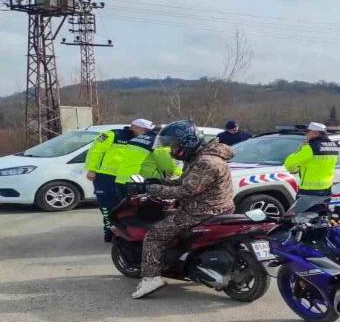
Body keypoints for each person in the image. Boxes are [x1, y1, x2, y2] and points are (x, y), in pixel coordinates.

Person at [129, 120, 235, 299]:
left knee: (154, 235)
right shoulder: (202, 157)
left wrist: (150, 189)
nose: (171, 149)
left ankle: (151, 278)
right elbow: (185, 182)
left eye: (173, 144)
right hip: (220, 208)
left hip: (200, 212)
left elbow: (185, 191)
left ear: (186, 142)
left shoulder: (205, 162)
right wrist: (159, 182)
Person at [85, 118, 156, 242]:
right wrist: (91, 169)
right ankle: (109, 231)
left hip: (125, 178)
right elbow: (95, 151)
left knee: (126, 206)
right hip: (105, 176)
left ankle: (124, 231)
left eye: (148, 130)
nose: (146, 132)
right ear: (134, 127)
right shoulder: (112, 134)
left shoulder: (142, 140)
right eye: (144, 130)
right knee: (107, 205)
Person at [283, 122, 339, 214]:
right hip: (326, 189)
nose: (306, 134)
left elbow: (288, 162)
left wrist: (301, 148)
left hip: (309, 191)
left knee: (303, 218)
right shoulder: (333, 147)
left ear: (316, 133)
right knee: (321, 215)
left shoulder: (310, 147)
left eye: (308, 131)